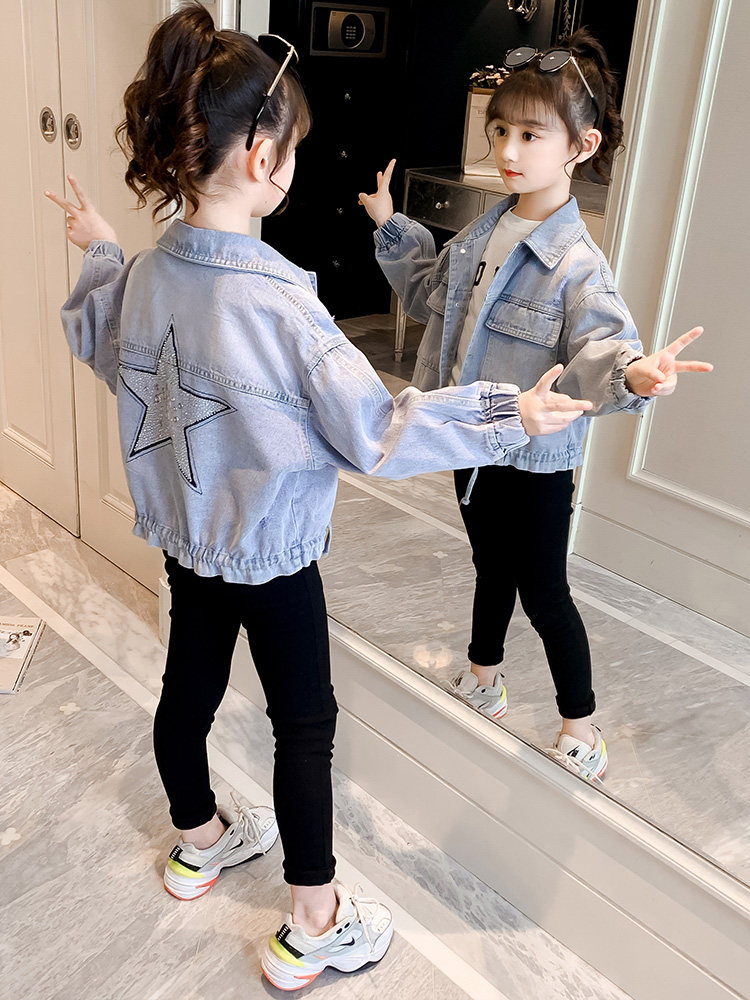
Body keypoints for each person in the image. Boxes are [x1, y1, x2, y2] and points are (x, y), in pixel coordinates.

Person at [44, 4, 594, 990]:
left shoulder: (152, 272)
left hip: (187, 541)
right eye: (292, 146)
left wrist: (98, 249)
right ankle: (314, 921)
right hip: (273, 556)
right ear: (263, 157)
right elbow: (376, 430)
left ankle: (198, 838)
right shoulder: (283, 302)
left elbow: (109, 350)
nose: (293, 161)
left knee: (186, 691)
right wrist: (508, 411)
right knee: (304, 725)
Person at [360, 29, 712, 784]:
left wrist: (637, 373)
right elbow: (428, 298)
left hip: (536, 461)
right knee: (489, 567)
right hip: (474, 441)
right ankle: (484, 677)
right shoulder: (481, 234)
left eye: (530, 134)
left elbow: (601, 346)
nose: (508, 149)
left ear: (582, 146)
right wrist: (390, 223)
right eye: (500, 130)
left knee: (545, 593)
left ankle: (581, 726)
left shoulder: (578, 264)